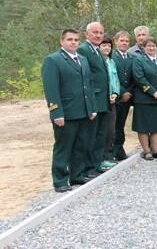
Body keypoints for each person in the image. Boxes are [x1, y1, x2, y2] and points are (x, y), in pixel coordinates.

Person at [42, 29, 97, 192]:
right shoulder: (53, 60)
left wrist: (92, 108)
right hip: (65, 113)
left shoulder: (83, 59)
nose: (73, 42)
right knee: (63, 147)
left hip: (83, 111)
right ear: (61, 41)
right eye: (69, 39)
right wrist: (56, 112)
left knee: (80, 145)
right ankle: (60, 180)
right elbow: (51, 89)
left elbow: (89, 85)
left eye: (76, 40)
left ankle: (77, 175)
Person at [77, 22, 112, 177]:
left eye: (100, 32)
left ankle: (97, 164)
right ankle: (88, 167)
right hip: (93, 100)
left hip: (103, 100)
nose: (98, 35)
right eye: (95, 32)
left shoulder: (97, 50)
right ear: (87, 34)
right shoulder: (83, 50)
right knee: (90, 136)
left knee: (100, 135)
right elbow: (85, 79)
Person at [132, 38, 157, 160]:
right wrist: (153, 92)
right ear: (143, 48)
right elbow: (139, 78)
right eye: (148, 46)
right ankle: (147, 151)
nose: (151, 48)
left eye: (153, 46)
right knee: (143, 126)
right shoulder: (138, 60)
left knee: (156, 125)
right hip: (144, 99)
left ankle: (156, 151)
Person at [98, 36, 120, 170]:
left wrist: (115, 93)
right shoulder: (99, 62)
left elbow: (115, 80)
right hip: (102, 101)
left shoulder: (111, 61)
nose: (106, 48)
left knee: (111, 131)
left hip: (112, 101)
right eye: (103, 45)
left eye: (108, 46)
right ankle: (100, 159)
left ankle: (107, 156)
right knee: (102, 131)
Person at [111, 31, 134, 161]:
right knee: (113, 126)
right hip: (115, 97)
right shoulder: (111, 57)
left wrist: (129, 92)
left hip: (127, 98)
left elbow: (134, 77)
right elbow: (111, 77)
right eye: (122, 40)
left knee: (121, 124)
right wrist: (122, 91)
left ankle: (119, 149)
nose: (124, 43)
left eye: (126, 41)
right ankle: (113, 151)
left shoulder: (132, 57)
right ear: (116, 42)